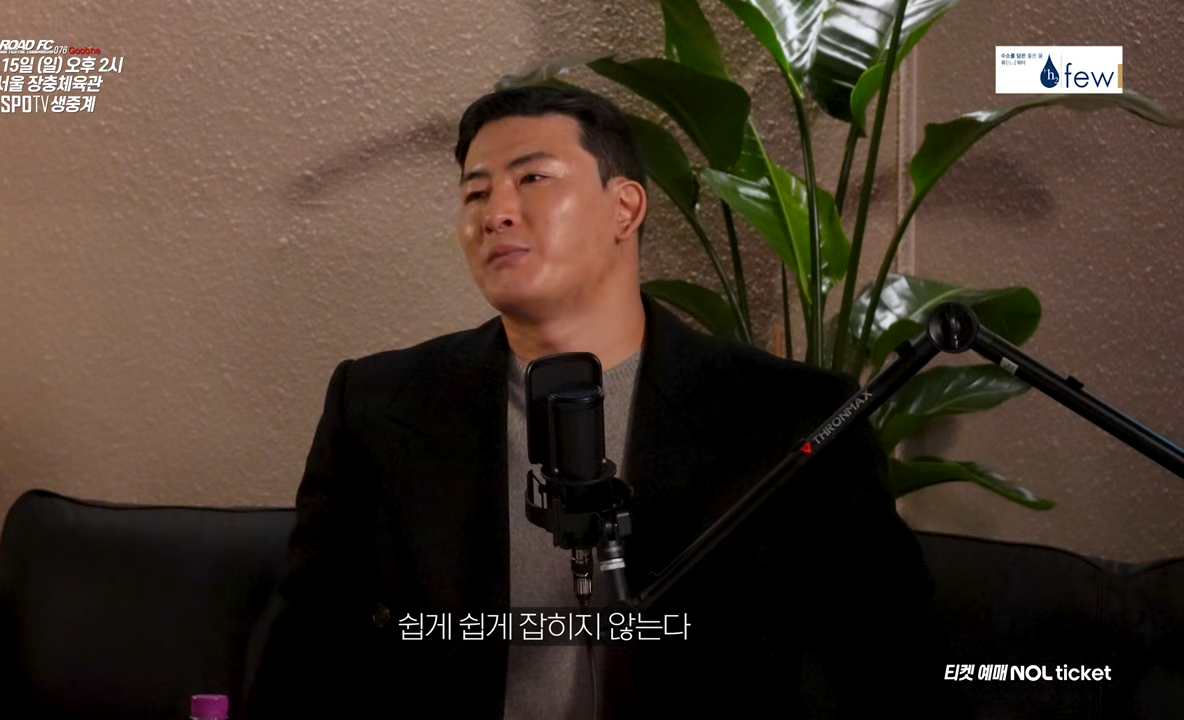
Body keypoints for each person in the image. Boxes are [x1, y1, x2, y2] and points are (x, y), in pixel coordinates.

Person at [246, 85, 964, 719]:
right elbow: (301, 663)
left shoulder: (791, 416)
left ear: (625, 207)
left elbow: (897, 674)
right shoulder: (378, 406)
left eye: (532, 178)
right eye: (475, 194)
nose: (496, 213)